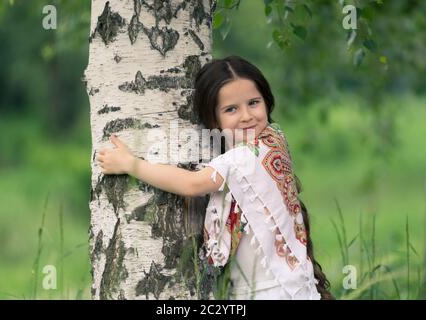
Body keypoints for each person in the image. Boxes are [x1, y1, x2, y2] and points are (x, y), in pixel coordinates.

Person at [96, 55, 333, 300]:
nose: (246, 116)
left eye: (254, 103)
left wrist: (131, 164)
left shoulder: (247, 156)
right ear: (213, 119)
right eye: (231, 109)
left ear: (267, 102)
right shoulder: (273, 141)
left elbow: (192, 184)